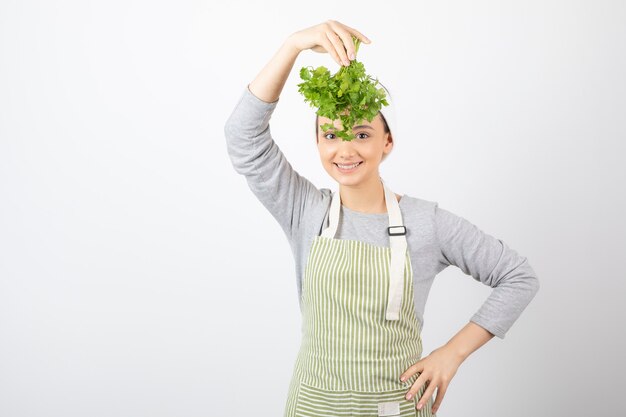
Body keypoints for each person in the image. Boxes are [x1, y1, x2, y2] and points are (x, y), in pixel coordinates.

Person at [224, 20, 540, 417]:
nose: (344, 150)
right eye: (330, 135)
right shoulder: (305, 210)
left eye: (360, 134)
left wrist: (451, 355)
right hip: (313, 406)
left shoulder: (427, 222)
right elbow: (242, 136)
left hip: (397, 407)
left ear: (386, 142)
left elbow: (518, 277)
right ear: (318, 143)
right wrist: (292, 46)